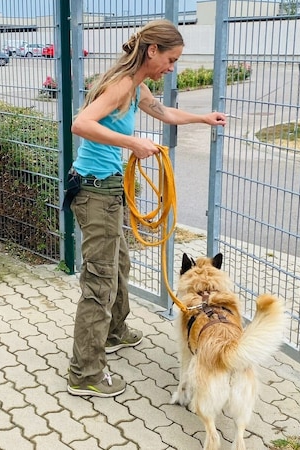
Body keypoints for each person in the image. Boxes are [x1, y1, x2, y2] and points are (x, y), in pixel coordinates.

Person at [66, 19, 227, 398]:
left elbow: (165, 113)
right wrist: (132, 143)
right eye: (170, 59)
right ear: (152, 51)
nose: (172, 67)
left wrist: (203, 118)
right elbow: (80, 124)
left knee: (119, 263)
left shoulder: (136, 86)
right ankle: (84, 372)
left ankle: (115, 331)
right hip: (95, 192)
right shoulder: (121, 84)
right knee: (100, 280)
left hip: (106, 189)